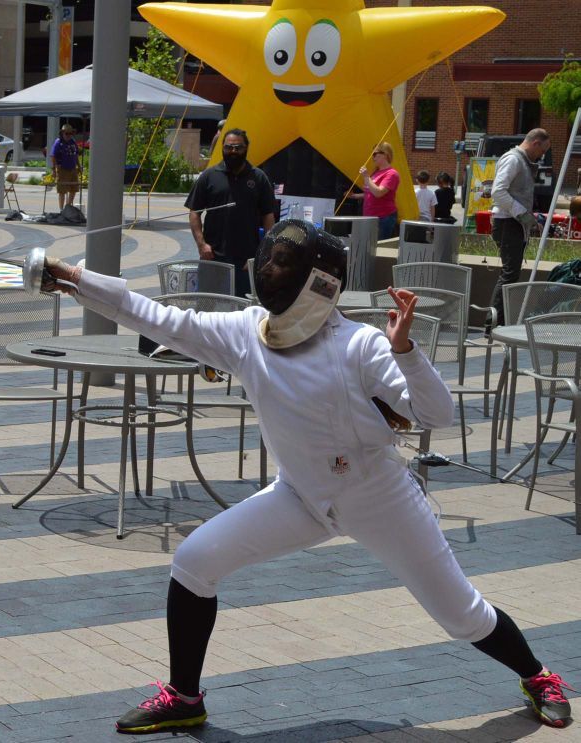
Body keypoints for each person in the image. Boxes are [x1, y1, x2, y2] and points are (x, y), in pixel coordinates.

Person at [35, 220, 574, 734]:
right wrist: (74, 278)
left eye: (283, 263)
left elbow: (435, 416)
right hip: (300, 495)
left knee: (462, 614)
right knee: (195, 561)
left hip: (378, 495)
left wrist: (406, 350)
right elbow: (157, 317)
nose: (270, 270)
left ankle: (537, 676)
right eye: (270, 260)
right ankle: (184, 698)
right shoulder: (246, 333)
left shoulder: (359, 344)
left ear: (318, 281)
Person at [185, 128, 276, 297]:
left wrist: (263, 253)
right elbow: (194, 212)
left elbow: (268, 216)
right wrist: (201, 245)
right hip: (212, 257)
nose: (233, 151)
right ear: (222, 148)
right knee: (207, 308)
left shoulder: (259, 178)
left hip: (246, 260)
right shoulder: (209, 176)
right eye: (228, 147)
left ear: (246, 148)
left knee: (243, 311)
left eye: (238, 147)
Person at [489, 128, 550, 326]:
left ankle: (497, 322)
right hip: (507, 221)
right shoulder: (514, 159)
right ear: (536, 143)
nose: (542, 156)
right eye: (542, 151)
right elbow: (497, 191)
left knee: (511, 273)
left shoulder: (521, 160)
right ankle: (493, 324)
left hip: (511, 222)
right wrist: (521, 213)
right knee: (509, 273)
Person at [350, 141, 400, 240]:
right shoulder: (376, 172)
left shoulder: (392, 174)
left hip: (383, 218)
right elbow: (370, 192)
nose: (373, 157)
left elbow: (379, 193)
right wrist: (355, 196)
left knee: (377, 248)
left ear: (385, 154)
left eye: (375, 154)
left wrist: (366, 177)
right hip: (370, 217)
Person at [49, 124, 81, 211]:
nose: (68, 135)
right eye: (66, 133)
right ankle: (61, 209)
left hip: (73, 169)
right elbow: (53, 156)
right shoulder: (58, 142)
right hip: (62, 169)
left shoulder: (73, 142)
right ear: (62, 133)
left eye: (70, 133)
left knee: (74, 189)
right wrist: (54, 170)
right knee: (62, 190)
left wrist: (79, 166)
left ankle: (68, 206)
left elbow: (76, 155)